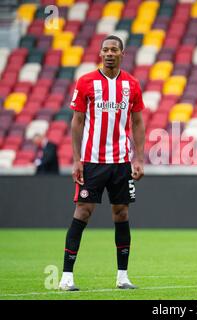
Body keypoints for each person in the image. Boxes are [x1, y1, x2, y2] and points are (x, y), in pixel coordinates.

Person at [58, 35, 145, 291]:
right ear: (100, 53)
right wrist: (77, 159)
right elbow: (77, 121)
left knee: (122, 213)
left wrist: (138, 157)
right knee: (82, 212)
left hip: (121, 162)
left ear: (122, 53)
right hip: (93, 161)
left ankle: (122, 276)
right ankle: (66, 276)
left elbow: (138, 122)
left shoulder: (132, 84)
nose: (109, 53)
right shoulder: (86, 82)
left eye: (113, 49)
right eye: (105, 49)